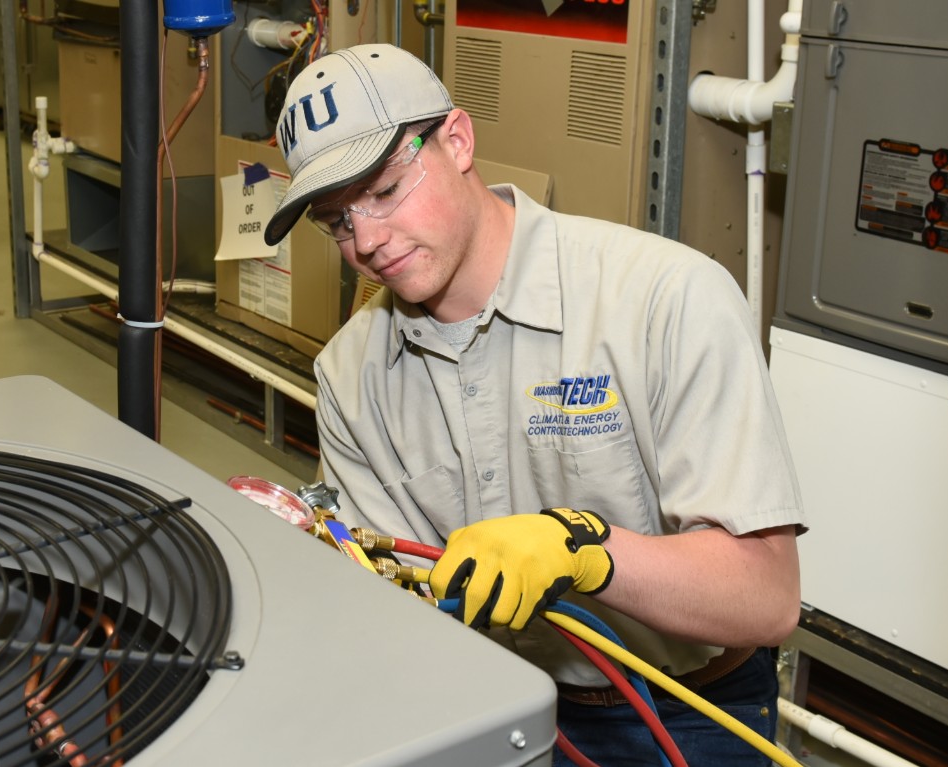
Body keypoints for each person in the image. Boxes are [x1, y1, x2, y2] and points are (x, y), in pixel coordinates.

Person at [262, 44, 806, 766]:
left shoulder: (666, 301)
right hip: (499, 700)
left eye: (386, 189)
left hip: (694, 712)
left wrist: (587, 550)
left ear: (457, 140)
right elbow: (399, 602)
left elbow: (766, 598)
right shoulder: (351, 377)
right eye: (336, 220)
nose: (366, 239)